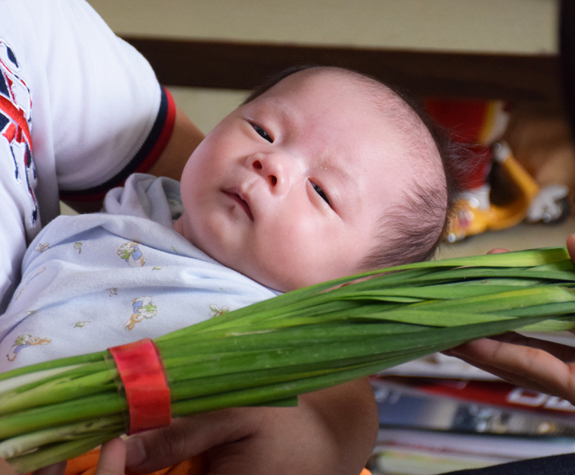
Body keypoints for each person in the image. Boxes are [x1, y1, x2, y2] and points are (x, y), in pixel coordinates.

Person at [1, 65, 455, 475]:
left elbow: (329, 413)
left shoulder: (296, 332)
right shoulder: (141, 203)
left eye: (321, 191)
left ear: (353, 287)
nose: (272, 163)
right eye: (262, 130)